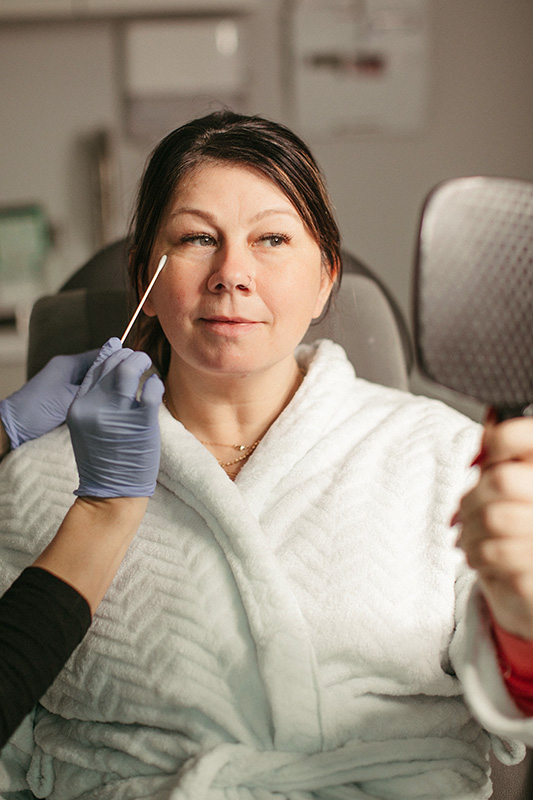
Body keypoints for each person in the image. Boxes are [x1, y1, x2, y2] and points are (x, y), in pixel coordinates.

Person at [0, 110, 532, 800]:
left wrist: (522, 614)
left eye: (272, 238)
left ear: (323, 279)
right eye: (196, 238)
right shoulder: (39, 479)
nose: (231, 273)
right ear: (145, 282)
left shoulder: (447, 458)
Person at [0, 338, 163, 749]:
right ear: (147, 283)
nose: (232, 274)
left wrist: (4, 426)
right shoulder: (28, 477)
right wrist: (105, 508)